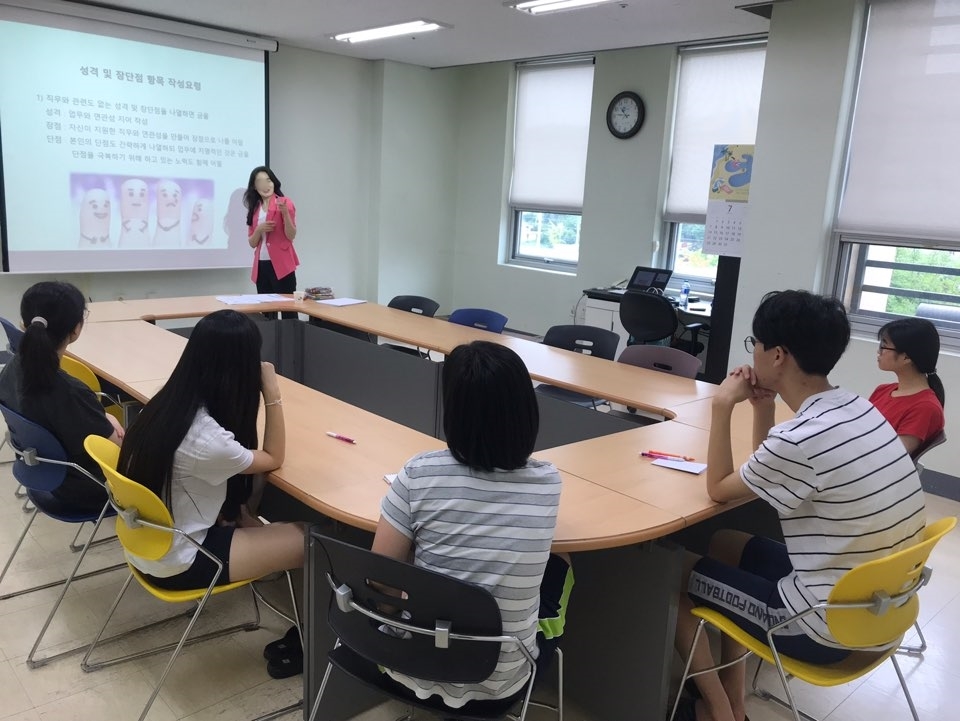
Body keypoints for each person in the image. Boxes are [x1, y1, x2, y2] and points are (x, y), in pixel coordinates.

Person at [672, 291, 925, 721]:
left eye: (755, 343)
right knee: (725, 542)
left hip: (824, 628)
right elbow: (767, 477)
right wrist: (763, 408)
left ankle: (716, 709)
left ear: (778, 355)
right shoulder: (859, 408)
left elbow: (718, 489)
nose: (752, 352)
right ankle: (734, 701)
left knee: (671, 574)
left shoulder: (802, 438)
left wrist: (721, 405)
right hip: (880, 610)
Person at [371, 341, 572, 708]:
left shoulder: (418, 473)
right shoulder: (549, 482)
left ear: (453, 410)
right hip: (504, 683)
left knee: (416, 560)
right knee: (564, 561)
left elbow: (380, 580)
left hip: (409, 666)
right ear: (527, 410)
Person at [117, 309, 304, 599]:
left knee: (256, 513)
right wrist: (272, 392)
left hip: (146, 546)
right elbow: (273, 457)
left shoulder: (163, 405)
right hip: (180, 562)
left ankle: (247, 528)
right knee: (309, 539)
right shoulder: (208, 440)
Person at [0, 282, 123, 513]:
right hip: (90, 488)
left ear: (24, 324)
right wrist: (111, 421)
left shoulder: (12, 369)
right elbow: (116, 449)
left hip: (44, 475)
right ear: (76, 330)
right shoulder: (70, 392)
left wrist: (102, 417)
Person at [870, 317, 945, 455]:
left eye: (883, 346)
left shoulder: (925, 408)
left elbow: (892, 455)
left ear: (906, 357)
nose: (878, 352)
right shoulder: (882, 390)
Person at [244, 166, 299, 320]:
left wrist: (285, 214)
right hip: (261, 265)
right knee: (266, 311)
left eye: (268, 180)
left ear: (274, 182)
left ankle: (291, 336)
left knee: (288, 310)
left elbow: (291, 235)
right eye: (260, 182)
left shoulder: (285, 202)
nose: (265, 185)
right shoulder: (255, 209)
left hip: (282, 265)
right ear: (255, 187)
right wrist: (259, 230)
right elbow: (252, 243)